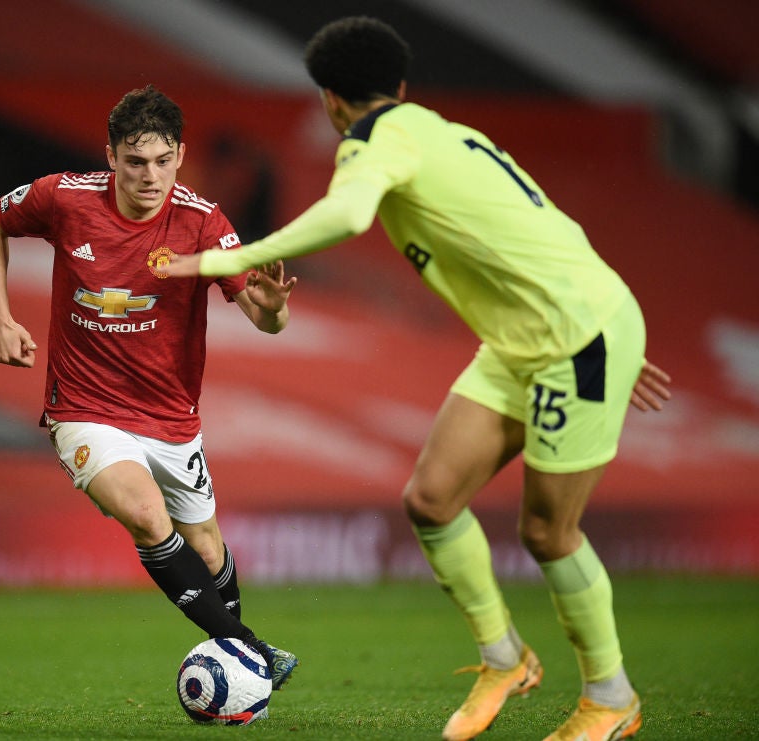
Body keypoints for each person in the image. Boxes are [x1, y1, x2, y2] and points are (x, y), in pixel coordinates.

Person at [161, 17, 672, 741]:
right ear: (399, 86)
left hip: (574, 342)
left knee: (548, 532)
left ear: (331, 101)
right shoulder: (440, 132)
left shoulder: (374, 143)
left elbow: (349, 212)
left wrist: (218, 261)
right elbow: (532, 224)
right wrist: (606, 316)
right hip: (534, 334)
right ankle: (506, 658)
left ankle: (611, 695)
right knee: (432, 499)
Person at [0, 85, 299, 692]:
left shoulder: (203, 222)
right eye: (135, 161)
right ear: (111, 156)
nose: (150, 176)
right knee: (149, 518)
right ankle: (252, 654)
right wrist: (0, 319)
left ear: (180, 156)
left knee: (207, 552)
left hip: (172, 417)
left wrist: (276, 310)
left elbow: (263, 316)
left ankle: (243, 660)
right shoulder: (64, 199)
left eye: (162, 161)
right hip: (84, 408)